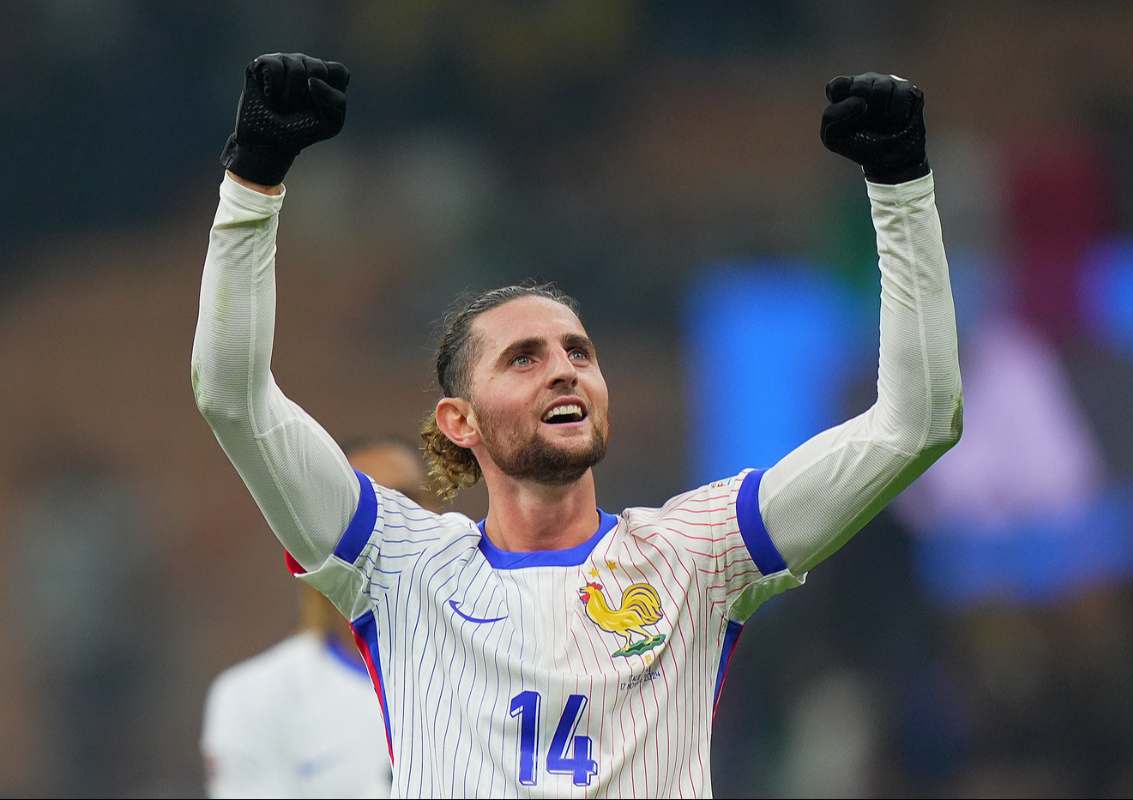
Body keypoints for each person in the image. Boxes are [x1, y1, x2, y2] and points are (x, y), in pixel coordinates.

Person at [192, 53, 962, 798]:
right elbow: (233, 397)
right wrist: (252, 183)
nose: (563, 369)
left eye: (578, 352)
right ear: (459, 422)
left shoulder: (697, 552)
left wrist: (901, 189)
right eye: (522, 359)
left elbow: (916, 423)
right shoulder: (397, 563)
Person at [200, 437, 437, 798]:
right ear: (313, 531)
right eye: (360, 510)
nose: (388, 524)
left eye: (407, 502)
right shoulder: (256, 696)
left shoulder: (498, 666)